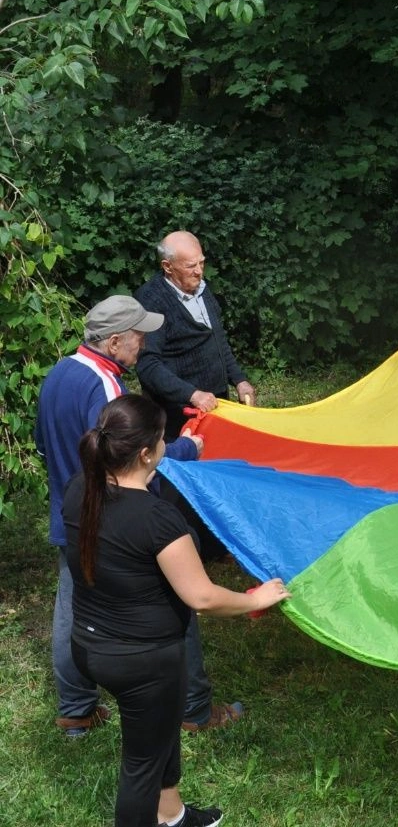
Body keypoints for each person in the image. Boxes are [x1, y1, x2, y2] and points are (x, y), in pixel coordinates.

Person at [65, 395, 290, 827]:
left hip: (92, 644)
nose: (168, 442)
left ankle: (172, 815)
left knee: (159, 731)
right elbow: (202, 597)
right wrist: (255, 600)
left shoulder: (82, 489)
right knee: (141, 767)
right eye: (163, 436)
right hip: (142, 660)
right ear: (147, 452)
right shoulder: (156, 518)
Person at [33, 296, 213, 737]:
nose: (144, 343)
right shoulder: (106, 388)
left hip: (72, 513)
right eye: (138, 336)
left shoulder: (58, 373)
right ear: (114, 342)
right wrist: (188, 446)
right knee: (176, 601)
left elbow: (43, 446)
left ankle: (76, 709)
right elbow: (135, 459)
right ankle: (193, 710)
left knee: (72, 611)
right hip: (116, 518)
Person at [134, 231, 255, 441]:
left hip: (215, 404)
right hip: (178, 415)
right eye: (191, 266)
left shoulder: (201, 289)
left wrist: (239, 379)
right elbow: (147, 365)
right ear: (167, 266)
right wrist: (192, 395)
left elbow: (216, 338)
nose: (199, 272)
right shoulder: (151, 301)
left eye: (202, 263)